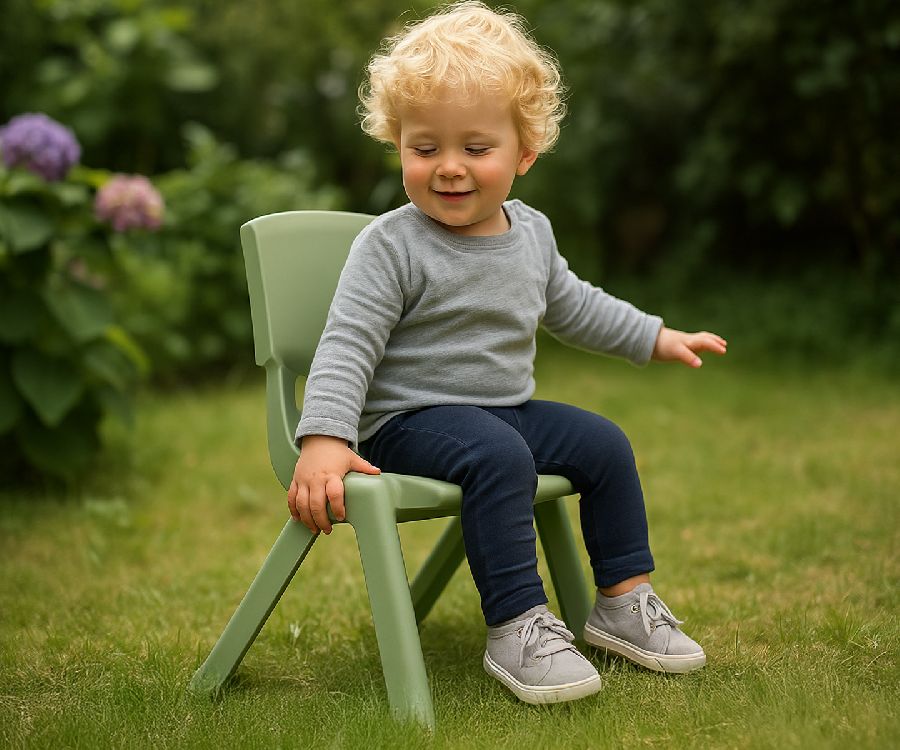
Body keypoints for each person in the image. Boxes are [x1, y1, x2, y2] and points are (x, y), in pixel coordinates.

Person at [288, 0, 727, 705]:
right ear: (398, 144)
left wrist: (654, 334)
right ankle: (518, 625)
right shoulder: (390, 246)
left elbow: (575, 305)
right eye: (425, 148)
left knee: (604, 444)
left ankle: (622, 601)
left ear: (524, 152)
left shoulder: (531, 235)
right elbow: (347, 342)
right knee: (499, 456)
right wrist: (325, 437)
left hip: (502, 412)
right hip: (403, 424)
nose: (450, 169)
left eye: (476, 148)